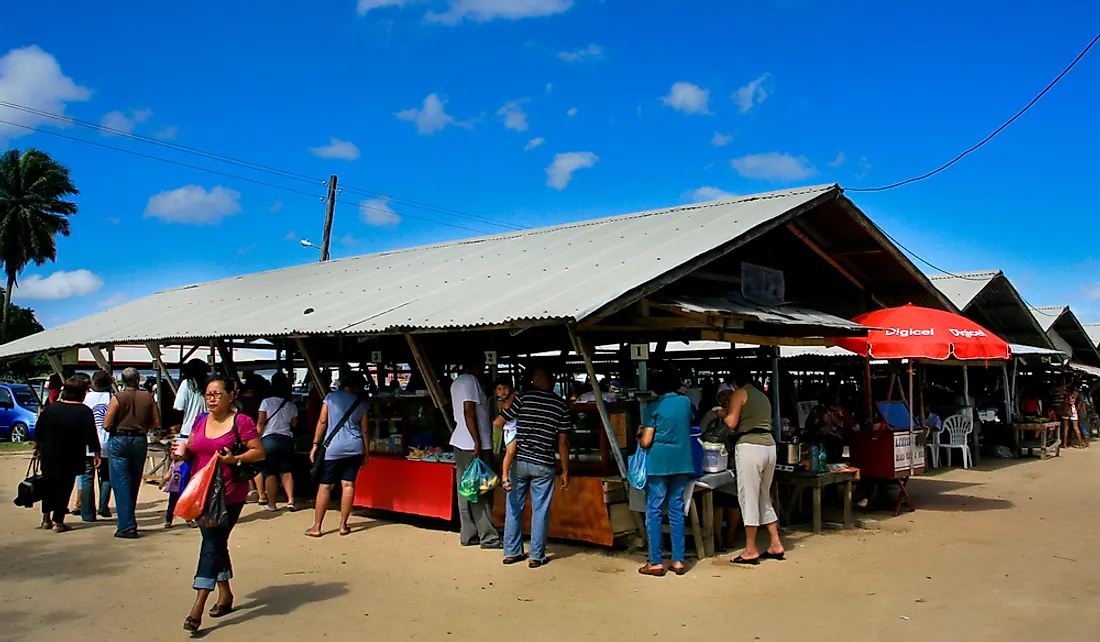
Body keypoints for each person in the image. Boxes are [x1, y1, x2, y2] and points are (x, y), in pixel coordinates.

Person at [180, 376, 264, 633]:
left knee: (211, 543)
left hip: (229, 493)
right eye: (208, 394)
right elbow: (193, 448)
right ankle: (225, 594)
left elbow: (258, 452)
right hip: (200, 492)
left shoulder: (242, 422)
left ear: (231, 395)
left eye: (217, 394)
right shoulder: (200, 421)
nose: (212, 399)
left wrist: (235, 459)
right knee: (216, 543)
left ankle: (198, 606)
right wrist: (181, 452)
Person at [499, 365, 572, 568]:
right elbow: (563, 443)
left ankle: (511, 552)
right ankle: (536, 556)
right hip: (544, 464)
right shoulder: (561, 405)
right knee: (540, 510)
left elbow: (504, 418)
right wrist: (565, 470)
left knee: (514, 506)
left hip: (519, 461)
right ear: (545, 380)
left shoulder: (522, 398)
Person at [721, 367, 783, 565]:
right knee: (764, 496)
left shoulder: (740, 393)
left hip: (750, 447)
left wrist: (722, 414)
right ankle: (775, 543)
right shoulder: (762, 396)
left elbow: (731, 422)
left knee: (748, 497)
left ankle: (750, 549)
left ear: (735, 383)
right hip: (769, 447)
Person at [637, 369, 695, 577]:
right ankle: (678, 561)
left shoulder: (652, 408)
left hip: (659, 462)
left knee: (654, 510)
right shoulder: (686, 403)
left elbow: (646, 441)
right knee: (676, 509)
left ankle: (655, 562)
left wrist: (639, 434)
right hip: (682, 461)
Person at [33, 376, 100, 533]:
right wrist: (96, 452)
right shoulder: (84, 411)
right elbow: (91, 434)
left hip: (48, 452)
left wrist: (36, 447)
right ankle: (59, 521)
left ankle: (46, 518)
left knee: (48, 484)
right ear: (82, 393)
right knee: (65, 486)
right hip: (72, 453)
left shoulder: (51, 408)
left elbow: (39, 429)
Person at [307, 372, 369, 538]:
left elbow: (322, 422)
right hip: (355, 447)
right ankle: (343, 525)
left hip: (333, 448)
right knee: (348, 485)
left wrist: (315, 445)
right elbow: (364, 430)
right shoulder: (362, 403)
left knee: (325, 485)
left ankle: (317, 527)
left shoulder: (331, 398)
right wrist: (366, 453)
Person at [449, 359, 502, 549]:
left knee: (465, 490)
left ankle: (468, 534)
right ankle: (488, 537)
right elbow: (468, 412)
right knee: (481, 491)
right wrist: (477, 441)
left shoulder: (456, 382)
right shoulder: (470, 381)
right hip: (475, 444)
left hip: (460, 442)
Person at [103, 367, 160, 539]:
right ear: (138, 380)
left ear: (122, 381)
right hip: (139, 439)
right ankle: (129, 518)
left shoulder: (118, 397)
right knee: (134, 480)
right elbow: (156, 422)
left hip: (119, 438)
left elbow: (106, 424)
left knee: (121, 482)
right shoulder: (148, 397)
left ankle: (126, 524)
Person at [699, 383, 739, 550]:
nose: (726, 398)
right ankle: (719, 540)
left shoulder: (738, 414)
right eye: (723, 395)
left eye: (730, 394)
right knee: (718, 504)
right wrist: (712, 416)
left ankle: (730, 537)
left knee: (733, 503)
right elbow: (700, 431)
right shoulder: (711, 414)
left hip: (733, 463)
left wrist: (725, 417)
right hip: (714, 464)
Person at [258, 371, 299, 511]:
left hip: (269, 439)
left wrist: (255, 440)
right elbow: (294, 424)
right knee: (286, 471)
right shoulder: (291, 405)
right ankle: (291, 500)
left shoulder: (266, 402)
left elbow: (261, 423)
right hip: (286, 439)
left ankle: (272, 503)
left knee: (270, 473)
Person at [80, 370, 114, 521]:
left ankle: (87, 512)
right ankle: (103, 506)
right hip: (106, 440)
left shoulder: (86, 398)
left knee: (87, 476)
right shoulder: (111, 398)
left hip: (88, 441)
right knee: (106, 477)